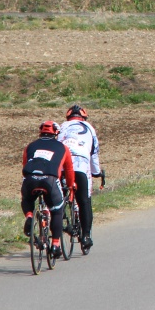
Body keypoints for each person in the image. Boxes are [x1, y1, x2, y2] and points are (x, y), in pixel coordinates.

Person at [21, 120, 75, 260]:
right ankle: (56, 245)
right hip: (50, 180)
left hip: (30, 178)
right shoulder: (63, 148)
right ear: (56, 133)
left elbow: (25, 165)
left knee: (27, 199)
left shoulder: (30, 146)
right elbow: (69, 170)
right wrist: (70, 186)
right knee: (57, 210)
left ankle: (29, 216)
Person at [58, 105, 103, 251]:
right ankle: (86, 236)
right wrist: (96, 172)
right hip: (80, 165)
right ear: (84, 117)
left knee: (57, 198)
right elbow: (94, 152)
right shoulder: (89, 128)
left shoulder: (62, 127)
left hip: (63, 164)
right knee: (84, 201)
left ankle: (62, 223)